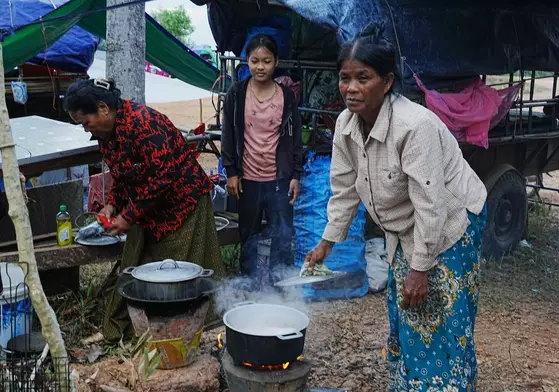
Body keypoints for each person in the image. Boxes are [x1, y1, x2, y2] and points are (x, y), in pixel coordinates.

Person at [305, 37, 488, 391]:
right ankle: (411, 383)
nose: (351, 88)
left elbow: (431, 205)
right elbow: (344, 190)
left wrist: (420, 268)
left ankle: (447, 385)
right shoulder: (346, 125)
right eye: (345, 78)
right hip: (406, 228)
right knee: (409, 310)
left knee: (439, 311)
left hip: (451, 222)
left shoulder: (414, 127)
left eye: (364, 77)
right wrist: (326, 243)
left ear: (387, 81)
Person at [63, 78, 225, 343]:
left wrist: (128, 216)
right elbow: (123, 174)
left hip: (181, 205)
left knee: (177, 273)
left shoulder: (145, 123)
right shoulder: (107, 133)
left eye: (85, 122)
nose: (85, 129)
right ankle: (121, 331)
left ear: (103, 108)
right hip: (144, 209)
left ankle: (189, 330)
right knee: (133, 267)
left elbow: (163, 176)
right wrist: (113, 203)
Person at [221, 34, 303, 282]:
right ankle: (250, 283)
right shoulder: (236, 93)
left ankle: (281, 287)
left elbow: (295, 138)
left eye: (266, 61)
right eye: (255, 60)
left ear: (275, 62)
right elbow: (228, 134)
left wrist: (295, 175)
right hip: (248, 178)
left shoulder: (286, 97)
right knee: (249, 235)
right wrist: (231, 172)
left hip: (279, 178)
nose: (260, 67)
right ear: (247, 61)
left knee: (281, 235)